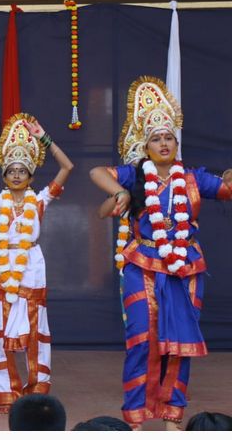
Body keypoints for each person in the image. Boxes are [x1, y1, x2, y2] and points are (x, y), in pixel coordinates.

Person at [90, 77, 232, 430]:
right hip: (143, 265)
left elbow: (227, 189)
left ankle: (172, 417)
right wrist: (120, 194)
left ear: (176, 141)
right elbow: (97, 173)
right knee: (141, 338)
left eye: (168, 137)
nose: (164, 143)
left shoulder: (193, 178)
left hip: (186, 268)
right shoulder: (136, 175)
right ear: (147, 144)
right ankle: (135, 418)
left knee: (179, 344)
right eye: (156, 138)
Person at [0, 114, 73, 414]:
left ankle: (37, 390)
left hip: (32, 267)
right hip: (3, 265)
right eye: (10, 170)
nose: (15, 174)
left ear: (31, 175)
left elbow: (67, 167)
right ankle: (7, 393)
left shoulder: (40, 201)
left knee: (37, 330)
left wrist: (44, 138)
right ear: (5, 174)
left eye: (21, 170)